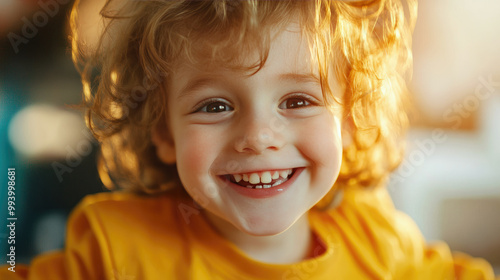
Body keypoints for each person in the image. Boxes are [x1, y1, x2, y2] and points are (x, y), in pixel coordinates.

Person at [2, 0, 498, 279]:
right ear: (163, 131)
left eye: (298, 101)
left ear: (350, 119)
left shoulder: (376, 239)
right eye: (215, 107)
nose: (258, 137)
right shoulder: (116, 252)